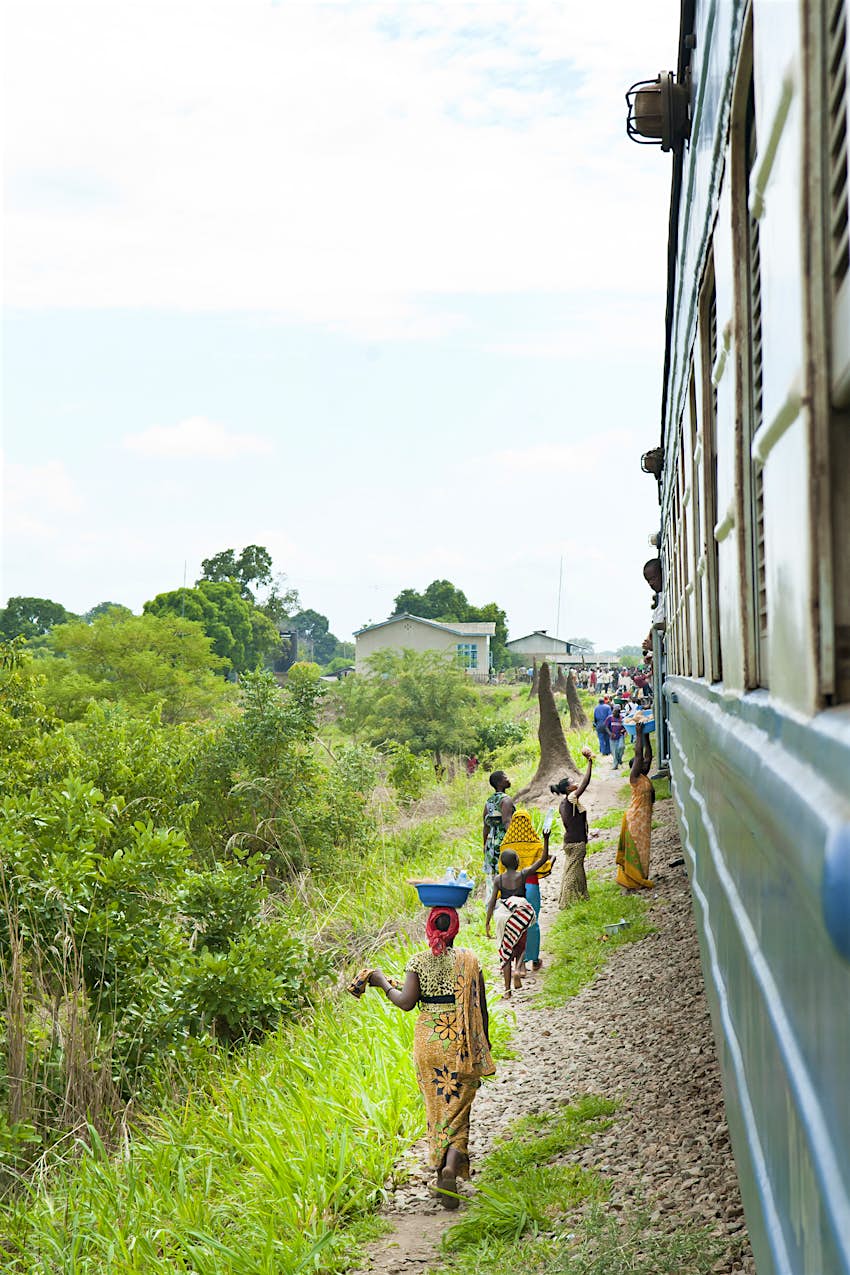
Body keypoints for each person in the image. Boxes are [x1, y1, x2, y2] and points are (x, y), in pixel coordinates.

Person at [350, 908, 494, 1208]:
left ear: (429, 928)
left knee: (437, 1106)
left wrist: (381, 982)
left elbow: (406, 1002)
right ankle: (451, 1167)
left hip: (428, 1042)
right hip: (460, 1041)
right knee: (459, 1107)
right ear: (454, 929)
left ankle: (442, 1167)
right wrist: (485, 1045)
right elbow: (481, 1008)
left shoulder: (418, 962)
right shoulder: (470, 961)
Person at [484, 838, 552, 995]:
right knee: (522, 945)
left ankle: (507, 991)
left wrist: (487, 922)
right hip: (519, 913)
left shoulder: (498, 879)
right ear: (516, 861)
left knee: (506, 950)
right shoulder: (522, 875)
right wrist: (546, 839)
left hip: (503, 914)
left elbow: (492, 900)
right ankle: (518, 968)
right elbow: (542, 860)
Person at [494, 809, 551, 972]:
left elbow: (500, 870)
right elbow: (544, 862)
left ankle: (519, 963)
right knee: (532, 922)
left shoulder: (506, 844)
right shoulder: (534, 842)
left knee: (513, 924)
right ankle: (533, 959)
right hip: (531, 885)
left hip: (510, 890)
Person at [551, 746, 594, 907]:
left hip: (570, 842)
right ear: (569, 789)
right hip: (576, 843)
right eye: (572, 782)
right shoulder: (571, 798)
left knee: (577, 871)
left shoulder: (564, 803)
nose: (576, 783)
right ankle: (565, 903)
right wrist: (590, 763)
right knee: (572, 873)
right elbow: (586, 782)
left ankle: (583, 895)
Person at [616, 720, 655, 889]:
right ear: (636, 767)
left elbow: (648, 755)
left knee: (644, 849)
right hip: (635, 820)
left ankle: (641, 876)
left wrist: (646, 733)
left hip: (642, 820)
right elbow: (639, 755)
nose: (646, 764)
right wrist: (638, 734)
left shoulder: (643, 776)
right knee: (637, 850)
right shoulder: (635, 779)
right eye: (642, 765)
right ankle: (633, 879)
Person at [482, 771, 515, 898]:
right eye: (506, 778)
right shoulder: (506, 800)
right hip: (503, 840)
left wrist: (484, 845)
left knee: (494, 874)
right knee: (506, 871)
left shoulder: (489, 801)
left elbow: (486, 826)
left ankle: (494, 900)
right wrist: (514, 839)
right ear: (500, 783)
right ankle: (507, 899)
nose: (509, 779)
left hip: (491, 842)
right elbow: (507, 821)